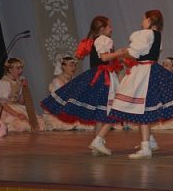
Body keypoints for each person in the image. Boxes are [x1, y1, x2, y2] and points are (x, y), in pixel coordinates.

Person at [102, 10, 173, 159]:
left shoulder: (145, 34)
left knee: (141, 107)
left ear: (150, 20)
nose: (142, 22)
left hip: (143, 72)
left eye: (144, 19)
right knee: (145, 106)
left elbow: (135, 53)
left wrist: (122, 53)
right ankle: (149, 142)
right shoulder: (157, 35)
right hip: (152, 70)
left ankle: (146, 147)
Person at [41, 16, 126, 152]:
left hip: (98, 76)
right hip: (103, 77)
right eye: (110, 26)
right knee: (114, 109)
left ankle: (97, 142)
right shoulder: (104, 39)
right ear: (102, 29)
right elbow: (104, 57)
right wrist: (118, 53)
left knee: (101, 112)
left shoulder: (94, 40)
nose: (112, 29)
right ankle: (98, 140)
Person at [0, 58, 45, 132]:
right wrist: (17, 114)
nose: (21, 71)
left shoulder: (19, 80)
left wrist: (24, 88)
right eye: (18, 68)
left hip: (16, 106)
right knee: (22, 125)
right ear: (10, 69)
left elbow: (21, 101)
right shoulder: (4, 82)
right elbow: (2, 104)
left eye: (21, 68)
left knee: (37, 122)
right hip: (7, 110)